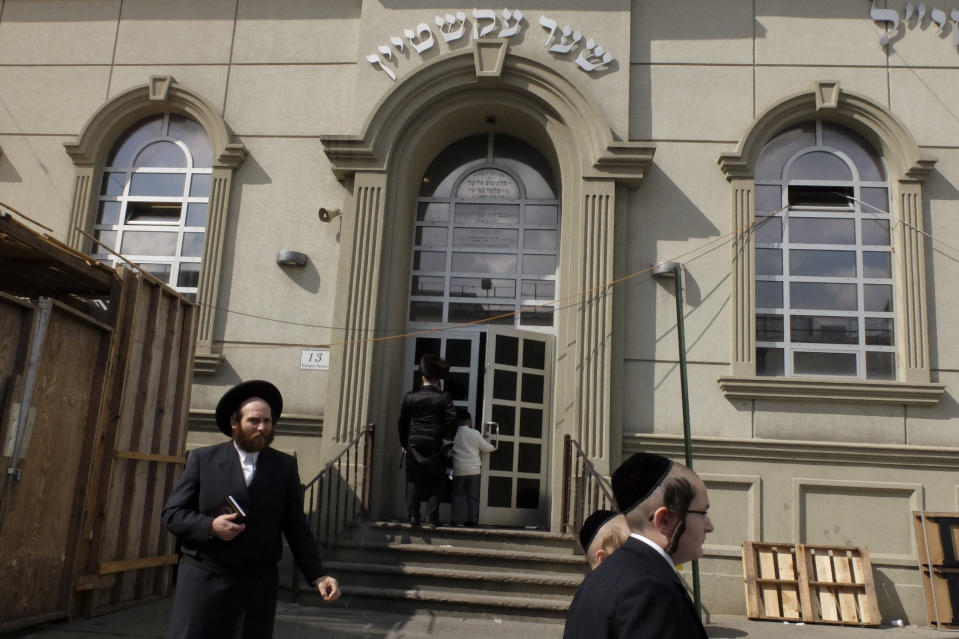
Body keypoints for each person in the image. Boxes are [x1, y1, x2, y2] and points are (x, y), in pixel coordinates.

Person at [162, 380, 340, 639]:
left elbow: (296, 528)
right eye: (254, 421)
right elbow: (172, 514)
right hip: (204, 581)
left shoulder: (284, 466)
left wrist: (318, 575)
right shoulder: (203, 460)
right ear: (235, 422)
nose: (262, 428)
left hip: (256, 588)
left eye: (267, 421)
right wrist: (209, 526)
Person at [563, 453, 714, 639]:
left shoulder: (601, 576)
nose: (709, 527)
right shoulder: (652, 590)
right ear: (664, 520)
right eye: (703, 512)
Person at [398, 354, 458, 526]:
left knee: (413, 480)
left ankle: (413, 515)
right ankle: (432, 516)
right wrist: (447, 440)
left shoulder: (410, 396)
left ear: (422, 377)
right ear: (437, 379)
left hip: (414, 441)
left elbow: (402, 421)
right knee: (437, 479)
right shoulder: (444, 397)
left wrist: (404, 443)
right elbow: (453, 420)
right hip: (435, 443)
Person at [451, 408, 496, 526]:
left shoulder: (453, 433)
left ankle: (455, 520)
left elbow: (449, 450)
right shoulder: (474, 433)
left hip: (459, 469)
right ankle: (472, 521)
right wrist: (493, 445)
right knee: (473, 497)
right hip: (474, 469)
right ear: (469, 421)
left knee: (457, 496)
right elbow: (487, 448)